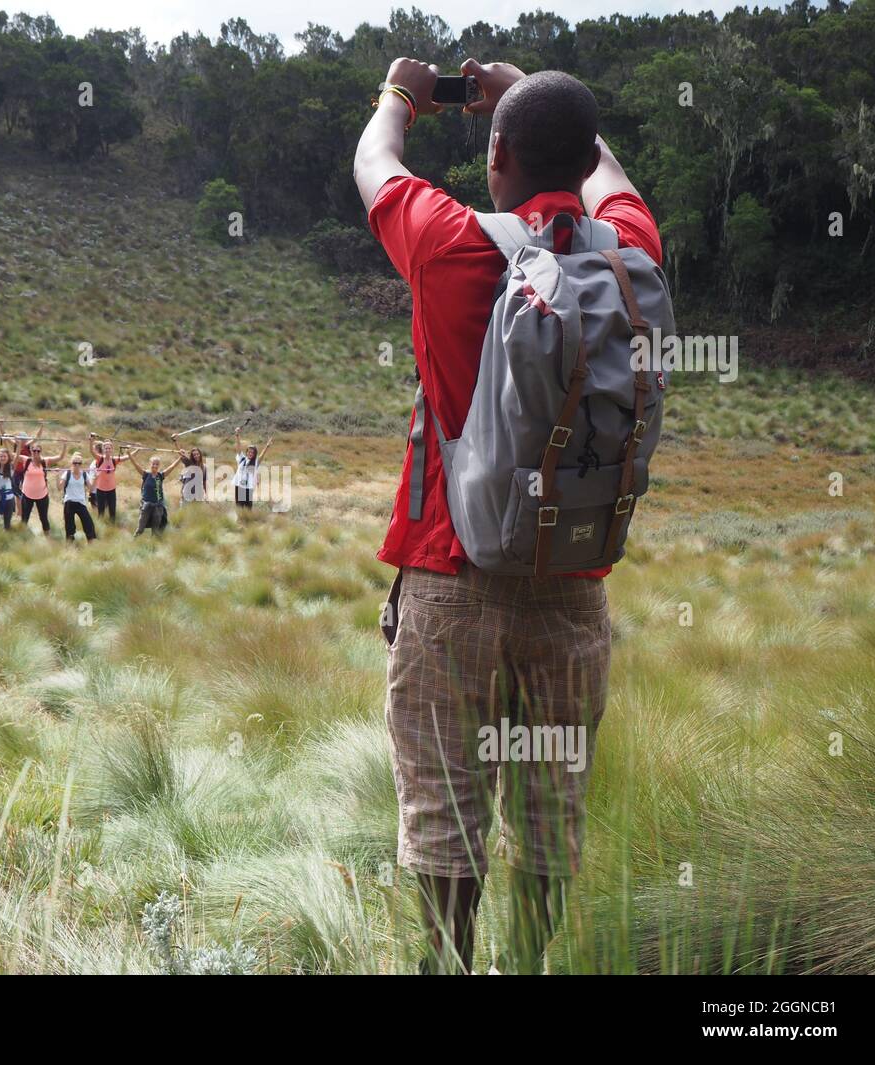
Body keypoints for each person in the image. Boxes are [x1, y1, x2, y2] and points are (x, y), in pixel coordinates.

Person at [354, 57, 664, 974]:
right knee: (550, 812)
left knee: (443, 813)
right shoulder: (630, 252)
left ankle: (448, 966)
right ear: (582, 157)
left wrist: (401, 95)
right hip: (572, 582)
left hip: (452, 577)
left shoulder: (450, 242)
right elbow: (609, 176)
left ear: (496, 157)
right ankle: (527, 964)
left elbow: (375, 163)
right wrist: (528, 87)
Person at [125, 448, 181, 536]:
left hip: (158, 505)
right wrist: (129, 454)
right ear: (150, 464)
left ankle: (153, 541)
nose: (155, 465)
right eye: (153, 463)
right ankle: (135, 538)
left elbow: (172, 467)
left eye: (157, 464)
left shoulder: (160, 475)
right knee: (141, 527)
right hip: (146, 504)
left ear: (159, 465)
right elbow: (135, 464)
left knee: (156, 528)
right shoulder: (146, 474)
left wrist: (180, 457)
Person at [16, 440, 64, 535]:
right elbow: (15, 457)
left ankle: (48, 539)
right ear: (31, 451)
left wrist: (64, 445)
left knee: (44, 518)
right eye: (34, 450)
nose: (36, 453)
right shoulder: (26, 460)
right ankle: (22, 538)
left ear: (41, 452)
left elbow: (60, 457)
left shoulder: (45, 461)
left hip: (42, 495)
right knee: (24, 518)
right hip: (27, 495)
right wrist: (18, 446)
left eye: (38, 451)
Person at [233, 428, 274, 510]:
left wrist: (267, 446)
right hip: (240, 486)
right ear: (246, 452)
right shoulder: (242, 459)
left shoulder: (255, 462)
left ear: (254, 454)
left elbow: (262, 456)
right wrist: (237, 435)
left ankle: (248, 517)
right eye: (249, 451)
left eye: (252, 452)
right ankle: (240, 517)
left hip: (248, 488)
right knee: (239, 506)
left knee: (248, 507)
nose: (250, 453)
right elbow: (238, 446)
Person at [60, 453, 97, 542]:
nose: (77, 465)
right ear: (71, 463)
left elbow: (91, 488)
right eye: (75, 463)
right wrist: (58, 476)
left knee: (89, 524)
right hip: (69, 502)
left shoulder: (84, 474)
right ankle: (70, 546)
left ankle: (91, 544)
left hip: (81, 503)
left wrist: (96, 478)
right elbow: (59, 487)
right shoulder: (67, 474)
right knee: (70, 527)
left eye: (79, 463)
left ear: (81, 464)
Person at [89, 434, 125, 521]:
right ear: (103, 449)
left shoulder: (114, 460)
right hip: (100, 490)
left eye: (109, 448)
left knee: (112, 512)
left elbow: (127, 457)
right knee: (100, 513)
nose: (108, 450)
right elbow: (91, 451)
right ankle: (100, 526)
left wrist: (136, 450)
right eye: (106, 448)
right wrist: (91, 441)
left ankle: (112, 526)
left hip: (111, 490)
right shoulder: (99, 459)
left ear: (112, 449)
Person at [172, 438, 208, 505]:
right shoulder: (189, 463)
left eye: (197, 454)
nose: (196, 456)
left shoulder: (204, 467)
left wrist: (206, 494)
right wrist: (175, 441)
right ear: (192, 456)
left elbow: (204, 482)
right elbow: (180, 453)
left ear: (200, 454)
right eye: (194, 455)